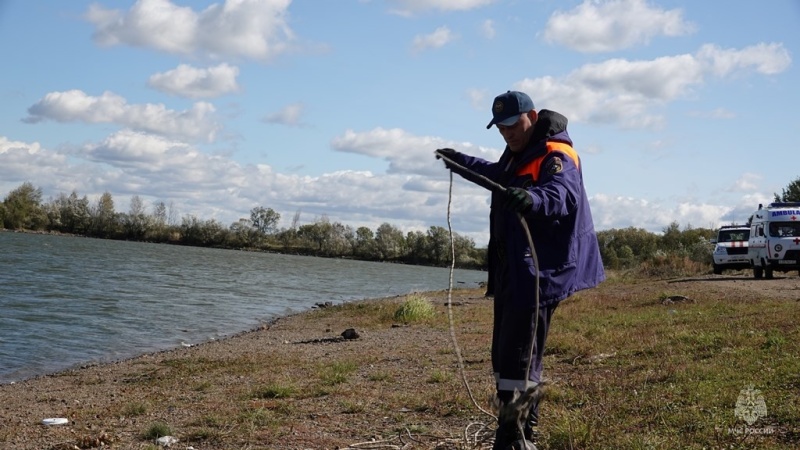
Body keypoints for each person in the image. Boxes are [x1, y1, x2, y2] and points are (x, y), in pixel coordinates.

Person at [435, 90, 605, 450]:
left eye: (513, 124)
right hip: (515, 269)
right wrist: (460, 162)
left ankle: (514, 438)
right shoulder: (517, 154)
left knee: (519, 360)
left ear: (532, 116)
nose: (507, 133)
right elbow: (496, 174)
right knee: (505, 357)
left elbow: (562, 195)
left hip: (541, 273)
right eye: (501, 127)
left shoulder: (557, 154)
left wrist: (532, 198)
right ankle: (518, 434)